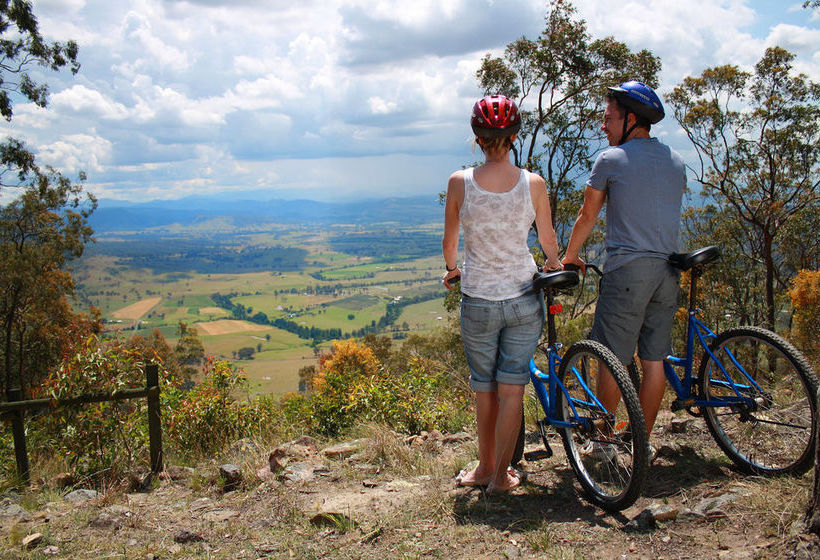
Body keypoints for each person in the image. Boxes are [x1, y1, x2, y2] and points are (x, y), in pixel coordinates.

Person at [442, 94, 561, 493]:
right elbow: (547, 241)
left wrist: (452, 271)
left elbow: (449, 243)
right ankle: (501, 478)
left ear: (478, 139)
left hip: (478, 300)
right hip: (524, 298)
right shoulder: (534, 183)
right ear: (513, 138)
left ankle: (485, 467)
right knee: (513, 388)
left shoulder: (460, 182)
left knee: (484, 388)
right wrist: (553, 264)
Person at [562, 81, 685, 450]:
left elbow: (587, 215)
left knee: (611, 358)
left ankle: (602, 440)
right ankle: (641, 444)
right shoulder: (675, 161)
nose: (603, 126)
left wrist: (569, 257)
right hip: (668, 272)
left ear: (631, 119)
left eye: (609, 118)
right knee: (654, 360)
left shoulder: (611, 160)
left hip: (629, 272)